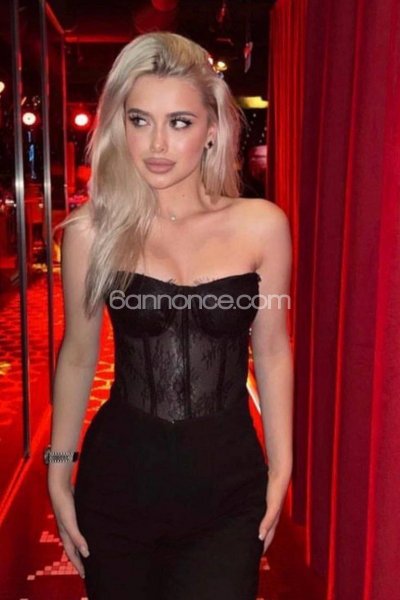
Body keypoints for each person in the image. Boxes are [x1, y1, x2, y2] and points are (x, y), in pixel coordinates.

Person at [45, 31, 293, 600]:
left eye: (179, 122)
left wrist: (282, 467)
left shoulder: (261, 225)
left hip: (229, 486)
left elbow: (273, 350)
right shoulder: (90, 233)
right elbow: (78, 355)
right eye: (140, 120)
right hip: (119, 481)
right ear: (119, 125)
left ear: (213, 128)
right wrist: (58, 470)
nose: (157, 143)